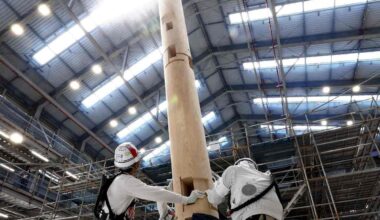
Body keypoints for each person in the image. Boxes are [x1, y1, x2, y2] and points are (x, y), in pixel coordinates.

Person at [100, 142, 205, 220]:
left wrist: (165, 189)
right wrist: (187, 200)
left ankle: (165, 216)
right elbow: (156, 194)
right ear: (136, 165)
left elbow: (152, 191)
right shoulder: (126, 182)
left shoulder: (120, 181)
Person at [206, 158, 283, 220]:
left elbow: (214, 199)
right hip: (275, 215)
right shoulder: (267, 176)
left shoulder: (233, 170)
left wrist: (207, 192)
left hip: (251, 213)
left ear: (238, 164)